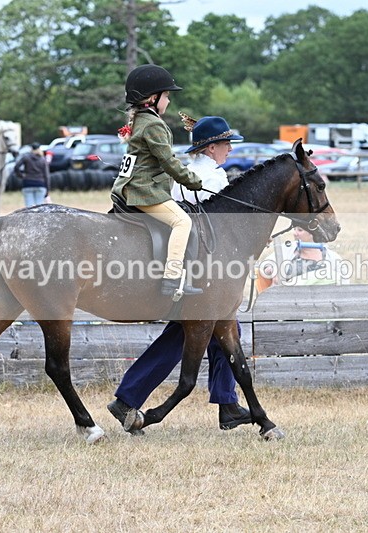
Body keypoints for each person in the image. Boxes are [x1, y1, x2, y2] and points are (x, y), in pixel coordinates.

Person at [108, 115, 250, 435]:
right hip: (200, 268)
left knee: (197, 333)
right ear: (211, 148)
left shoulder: (187, 172)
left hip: (184, 260)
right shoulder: (213, 178)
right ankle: (226, 403)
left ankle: (225, 402)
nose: (229, 149)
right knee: (216, 329)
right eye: (226, 144)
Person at [111, 64, 204, 299]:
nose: (169, 101)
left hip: (128, 186)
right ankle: (172, 279)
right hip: (143, 190)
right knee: (182, 222)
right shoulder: (153, 124)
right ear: (153, 98)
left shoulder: (140, 120)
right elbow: (168, 162)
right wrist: (194, 181)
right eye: (167, 96)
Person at [254, 226, 349, 292]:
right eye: (294, 229)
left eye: (300, 230)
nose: (295, 233)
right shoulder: (287, 249)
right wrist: (271, 270)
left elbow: (344, 287)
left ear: (313, 233)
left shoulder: (333, 258)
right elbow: (264, 266)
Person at [14, 142, 50, 207]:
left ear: (31, 149)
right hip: (40, 184)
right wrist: (47, 190)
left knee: (29, 207)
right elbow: (46, 176)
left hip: (28, 183)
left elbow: (16, 167)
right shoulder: (43, 160)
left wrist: (21, 176)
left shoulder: (26, 157)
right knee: (39, 207)